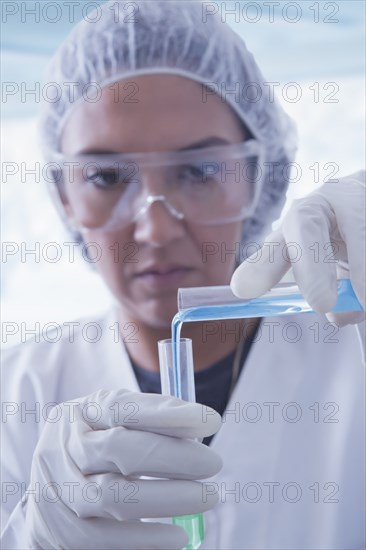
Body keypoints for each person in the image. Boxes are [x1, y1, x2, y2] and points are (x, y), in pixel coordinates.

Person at [1, 1, 365, 548]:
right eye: (104, 176)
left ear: (259, 175)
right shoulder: (16, 394)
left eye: (199, 170)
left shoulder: (352, 354)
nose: (154, 228)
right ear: (63, 196)